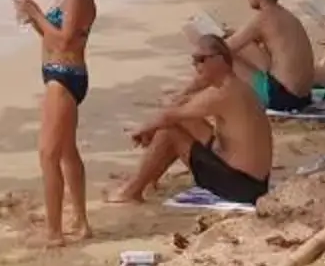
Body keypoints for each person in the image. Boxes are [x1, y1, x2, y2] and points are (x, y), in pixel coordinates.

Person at [107, 33, 273, 208]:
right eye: (194, 60)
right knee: (181, 122)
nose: (196, 65)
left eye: (201, 59)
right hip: (253, 182)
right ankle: (149, 178)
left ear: (221, 60)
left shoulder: (222, 94)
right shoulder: (235, 85)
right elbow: (181, 105)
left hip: (241, 186)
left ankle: (131, 191)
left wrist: (141, 130)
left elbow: (168, 116)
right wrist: (184, 94)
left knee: (169, 131)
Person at [13, 0, 96, 247]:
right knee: (65, 151)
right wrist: (34, 20)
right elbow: (53, 37)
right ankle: (81, 222)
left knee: (48, 154)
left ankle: (54, 231)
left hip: (65, 77)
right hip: (58, 74)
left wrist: (35, 13)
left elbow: (64, 42)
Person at [229, 0, 317, 109]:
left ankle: (208, 97)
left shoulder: (263, 17)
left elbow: (224, 48)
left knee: (221, 57)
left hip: (284, 98)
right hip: (304, 97)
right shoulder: (287, 16)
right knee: (243, 46)